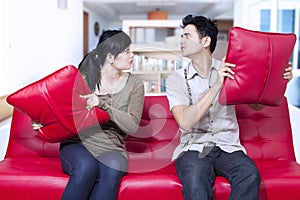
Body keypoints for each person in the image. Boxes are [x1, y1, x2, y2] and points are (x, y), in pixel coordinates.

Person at [166, 14, 293, 200]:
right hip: (194, 148)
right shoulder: (176, 79)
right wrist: (217, 85)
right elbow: (185, 122)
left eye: (187, 36)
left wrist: (279, 81)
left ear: (205, 41)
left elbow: (256, 105)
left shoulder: (231, 69)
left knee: (249, 175)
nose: (181, 41)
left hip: (228, 147)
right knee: (195, 179)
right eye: (181, 36)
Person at [33, 30, 144, 200]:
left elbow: (132, 125)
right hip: (78, 143)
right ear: (110, 57)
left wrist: (102, 105)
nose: (132, 55)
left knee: (111, 171)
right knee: (86, 167)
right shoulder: (84, 79)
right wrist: (42, 122)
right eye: (127, 51)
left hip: (112, 147)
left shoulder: (135, 84)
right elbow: (59, 108)